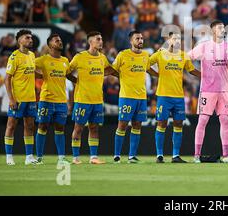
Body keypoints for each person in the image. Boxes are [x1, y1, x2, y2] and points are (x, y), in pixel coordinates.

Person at [188, 20, 228, 163]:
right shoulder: (204, 47)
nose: (223, 30)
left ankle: (227, 155)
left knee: (225, 120)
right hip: (207, 90)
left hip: (224, 90)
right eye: (219, 28)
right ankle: (196, 155)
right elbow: (187, 57)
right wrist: (197, 73)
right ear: (213, 31)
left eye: (223, 27)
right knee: (202, 120)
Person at [150, 33, 200, 163]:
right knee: (162, 123)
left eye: (179, 39)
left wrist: (205, 75)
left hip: (178, 96)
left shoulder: (183, 55)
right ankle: (159, 155)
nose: (177, 41)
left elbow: (191, 70)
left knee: (178, 124)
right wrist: (156, 74)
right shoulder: (160, 54)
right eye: (175, 39)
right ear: (168, 40)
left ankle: (175, 156)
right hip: (163, 95)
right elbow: (145, 64)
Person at [68, 31, 117, 164]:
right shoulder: (80, 57)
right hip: (82, 100)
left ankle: (93, 157)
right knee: (78, 128)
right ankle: (76, 157)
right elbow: (67, 71)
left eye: (101, 39)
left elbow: (109, 70)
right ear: (90, 42)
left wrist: (121, 74)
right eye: (98, 39)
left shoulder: (102, 58)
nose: (101, 41)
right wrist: (76, 81)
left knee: (94, 128)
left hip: (97, 100)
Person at [112, 31, 157, 163]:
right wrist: (121, 76)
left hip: (141, 97)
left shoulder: (145, 55)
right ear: (131, 41)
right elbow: (113, 69)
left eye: (142, 38)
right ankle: (117, 155)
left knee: (137, 125)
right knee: (122, 124)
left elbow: (148, 69)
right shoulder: (123, 55)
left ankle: (132, 156)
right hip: (126, 96)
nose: (140, 40)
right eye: (137, 38)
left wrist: (160, 75)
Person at [34, 34, 75, 164]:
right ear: (50, 44)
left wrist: (80, 81)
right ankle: (39, 157)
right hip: (46, 100)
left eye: (60, 40)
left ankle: (61, 158)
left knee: (60, 128)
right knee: (42, 126)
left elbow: (69, 76)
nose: (60, 42)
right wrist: (39, 75)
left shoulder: (65, 60)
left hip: (62, 101)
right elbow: (29, 68)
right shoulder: (43, 60)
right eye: (57, 40)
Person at [4, 30, 38, 165]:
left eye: (31, 37)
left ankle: (29, 156)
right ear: (19, 41)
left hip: (30, 98)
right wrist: (11, 99)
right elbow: (7, 79)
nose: (31, 40)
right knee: (11, 125)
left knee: (29, 126)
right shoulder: (14, 56)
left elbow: (32, 74)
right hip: (18, 99)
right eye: (27, 37)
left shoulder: (32, 55)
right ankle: (9, 156)